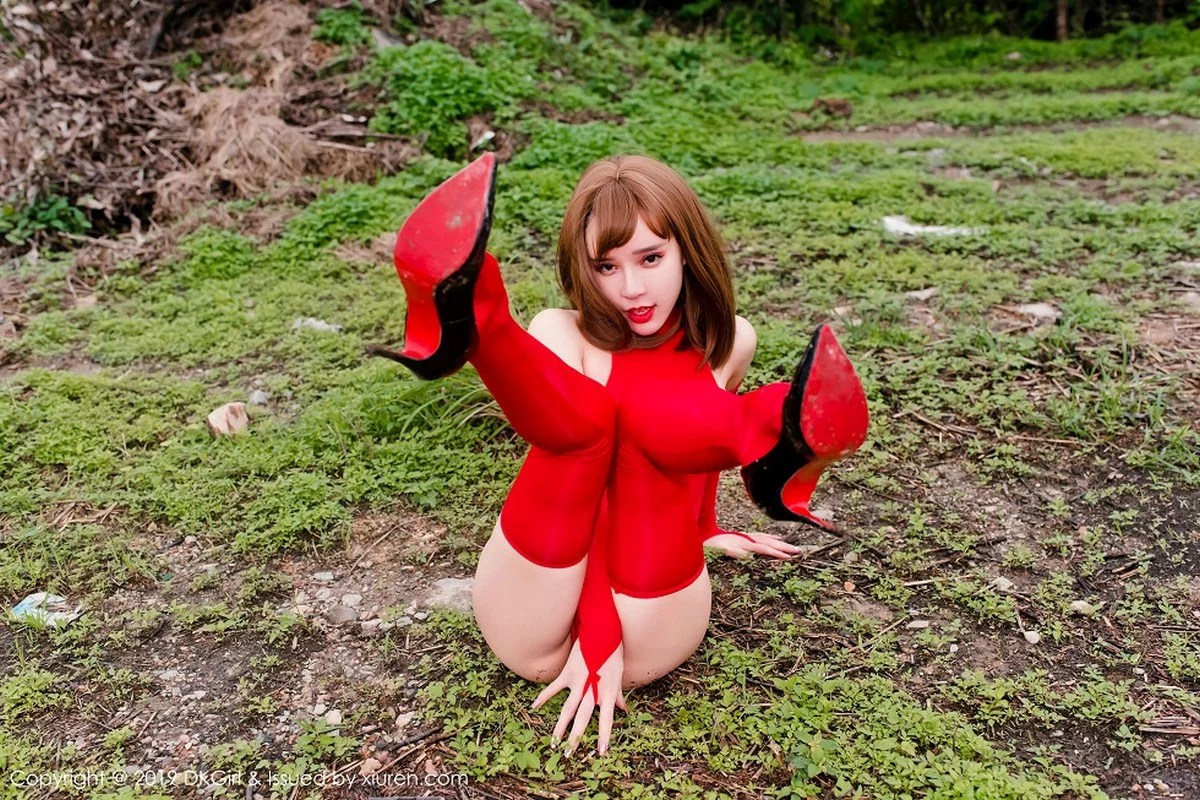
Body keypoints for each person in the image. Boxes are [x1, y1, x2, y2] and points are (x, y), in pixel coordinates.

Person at [369, 153, 868, 758]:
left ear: (688, 250)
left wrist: (706, 529)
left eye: (650, 258)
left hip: (654, 617)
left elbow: (696, 472)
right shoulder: (561, 331)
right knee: (586, 435)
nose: (630, 289)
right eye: (606, 266)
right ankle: (477, 319)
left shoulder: (731, 339)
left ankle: (471, 319)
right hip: (537, 604)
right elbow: (585, 511)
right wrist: (596, 632)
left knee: (659, 437)